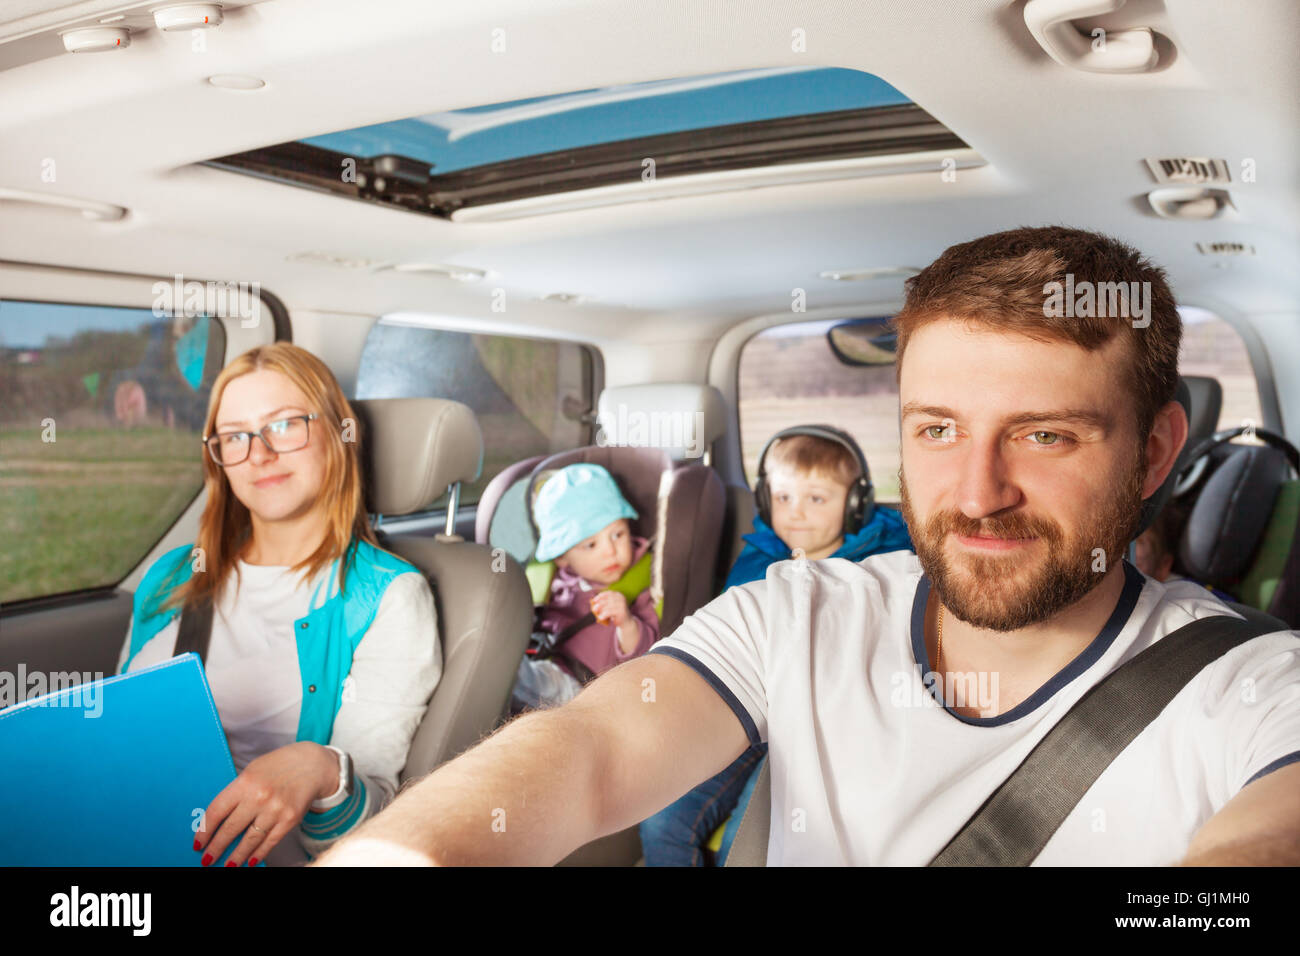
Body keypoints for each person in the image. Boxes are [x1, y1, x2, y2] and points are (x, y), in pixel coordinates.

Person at [316, 226, 1300, 867]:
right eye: (937, 429)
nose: (975, 492)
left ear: (1155, 449)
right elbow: (593, 747)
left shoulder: (1259, 687)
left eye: (1045, 434)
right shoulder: (799, 610)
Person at [118, 342, 440, 866]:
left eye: (285, 424)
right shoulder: (172, 576)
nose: (259, 454)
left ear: (338, 433)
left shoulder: (387, 597)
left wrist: (320, 769)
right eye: (235, 436)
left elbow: (376, 829)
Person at [639, 425, 912, 865]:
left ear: (856, 504)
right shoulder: (758, 559)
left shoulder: (881, 566)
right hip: (744, 712)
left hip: (817, 731)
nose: (796, 514)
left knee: (748, 845)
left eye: (816, 499)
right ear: (766, 500)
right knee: (660, 824)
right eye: (783, 498)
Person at [509, 462, 660, 711]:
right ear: (561, 556)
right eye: (591, 545)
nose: (611, 551)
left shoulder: (642, 580)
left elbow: (647, 654)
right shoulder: (554, 579)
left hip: (584, 688)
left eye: (618, 534)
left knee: (508, 676)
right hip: (547, 665)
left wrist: (626, 623)